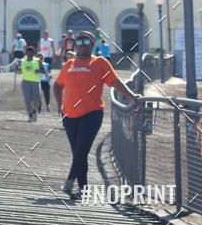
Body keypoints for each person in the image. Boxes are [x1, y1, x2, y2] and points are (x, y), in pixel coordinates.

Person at [54, 30, 140, 198]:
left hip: (91, 113)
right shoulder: (69, 64)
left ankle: (70, 180)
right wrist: (60, 105)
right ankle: (83, 190)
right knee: (80, 152)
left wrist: (133, 96)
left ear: (93, 45)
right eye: (78, 42)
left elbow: (115, 82)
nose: (82, 45)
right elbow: (57, 86)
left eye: (86, 42)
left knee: (81, 149)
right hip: (70, 115)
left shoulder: (99, 62)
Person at [18, 45, 41, 122]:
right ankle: (30, 115)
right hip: (25, 82)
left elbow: (43, 70)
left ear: (34, 53)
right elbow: (19, 71)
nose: (29, 54)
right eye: (28, 53)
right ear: (26, 53)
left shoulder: (37, 61)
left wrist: (39, 71)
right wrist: (19, 70)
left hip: (35, 82)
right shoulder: (22, 61)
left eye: (31, 53)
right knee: (27, 99)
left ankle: (35, 111)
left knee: (36, 98)